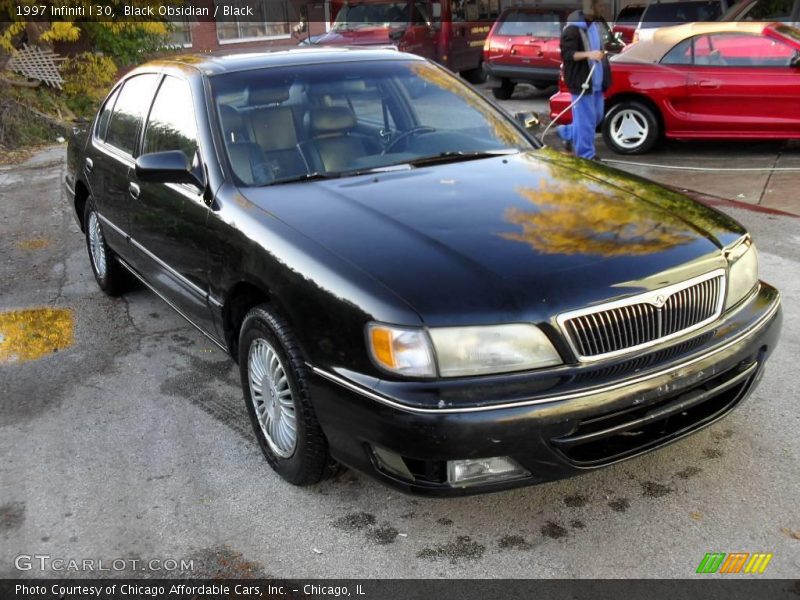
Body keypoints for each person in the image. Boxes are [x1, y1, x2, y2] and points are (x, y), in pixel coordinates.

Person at [557, 0, 612, 160]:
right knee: (586, 122)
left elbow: (600, 48)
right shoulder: (573, 30)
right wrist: (589, 55)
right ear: (590, 7)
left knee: (596, 117)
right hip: (582, 83)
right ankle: (586, 156)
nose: (602, 8)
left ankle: (566, 132)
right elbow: (567, 55)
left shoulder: (595, 25)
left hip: (597, 83)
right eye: (600, 6)